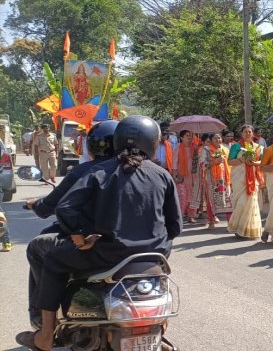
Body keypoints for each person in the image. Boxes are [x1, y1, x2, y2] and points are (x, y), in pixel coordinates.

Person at [15, 115, 183, 351]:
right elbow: (175, 227)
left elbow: (64, 208)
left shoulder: (100, 171)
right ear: (153, 143)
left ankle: (45, 335)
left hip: (107, 255)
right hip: (153, 259)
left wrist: (78, 238)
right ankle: (159, 328)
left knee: (53, 260)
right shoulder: (162, 175)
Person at [23, 121, 118, 328]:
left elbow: (58, 206)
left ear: (92, 146)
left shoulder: (86, 171)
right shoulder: (144, 172)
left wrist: (36, 205)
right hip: (132, 245)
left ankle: (42, 318)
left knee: (37, 247)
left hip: (93, 244)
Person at [226, 125, 264, 239]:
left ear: (253, 134)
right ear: (241, 134)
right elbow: (230, 162)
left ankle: (249, 230)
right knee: (241, 203)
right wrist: (242, 160)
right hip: (239, 178)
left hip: (253, 177)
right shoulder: (236, 146)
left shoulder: (258, 147)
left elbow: (262, 161)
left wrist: (254, 163)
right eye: (245, 132)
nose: (247, 134)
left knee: (252, 202)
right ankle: (238, 228)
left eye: (249, 132)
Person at [200, 133, 232, 229]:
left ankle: (230, 224)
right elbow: (202, 164)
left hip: (224, 179)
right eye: (215, 138)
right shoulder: (206, 150)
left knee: (228, 201)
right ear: (211, 140)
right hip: (211, 179)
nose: (218, 140)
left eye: (219, 138)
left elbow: (230, 164)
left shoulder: (225, 149)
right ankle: (211, 221)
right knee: (210, 201)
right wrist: (214, 162)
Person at [174, 130, 198, 223]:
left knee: (193, 196)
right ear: (181, 137)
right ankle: (180, 215)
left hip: (193, 176)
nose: (189, 137)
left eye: (190, 135)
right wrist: (175, 176)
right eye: (187, 135)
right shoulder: (178, 147)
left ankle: (191, 216)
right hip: (182, 176)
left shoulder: (194, 147)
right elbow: (174, 162)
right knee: (183, 196)